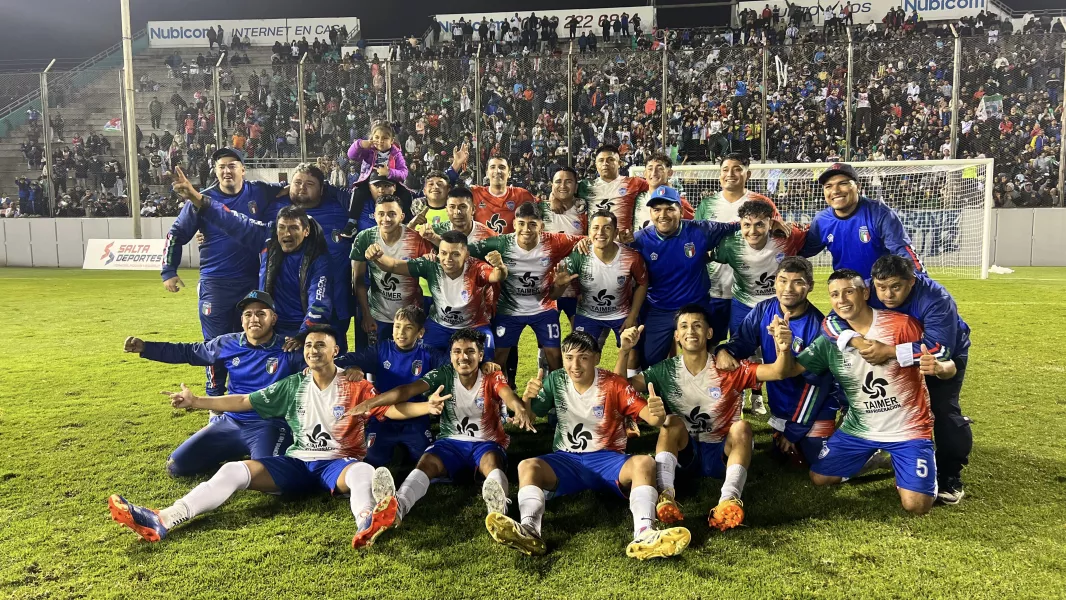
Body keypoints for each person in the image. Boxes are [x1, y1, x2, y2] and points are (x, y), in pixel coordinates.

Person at [107, 326, 443, 547]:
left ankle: (367, 523)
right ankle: (164, 518)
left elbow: (390, 410)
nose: (313, 350)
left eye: (320, 345)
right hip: (297, 464)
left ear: (335, 350)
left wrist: (425, 407)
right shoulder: (294, 384)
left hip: (337, 465)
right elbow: (244, 401)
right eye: (309, 346)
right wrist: (197, 402)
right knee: (234, 470)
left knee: (364, 472)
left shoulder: (357, 385)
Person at [485, 332, 690, 560]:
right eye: (569, 358)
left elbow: (653, 419)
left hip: (608, 460)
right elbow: (530, 417)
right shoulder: (556, 380)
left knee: (644, 463)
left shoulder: (614, 383)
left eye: (583, 357)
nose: (575, 365)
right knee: (527, 466)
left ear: (597, 358)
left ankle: (644, 533)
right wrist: (527, 399)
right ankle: (529, 530)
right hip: (567, 460)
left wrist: (657, 413)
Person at [769, 270, 955, 515]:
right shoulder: (829, 339)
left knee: (917, 505)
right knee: (819, 477)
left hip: (908, 430)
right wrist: (783, 348)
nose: (842, 300)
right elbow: (791, 370)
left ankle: (912, 465)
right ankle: (873, 457)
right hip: (858, 429)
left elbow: (948, 364)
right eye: (835, 294)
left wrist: (940, 368)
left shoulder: (902, 325)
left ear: (865, 293)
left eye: (849, 292)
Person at [348, 328, 537, 548]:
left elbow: (507, 394)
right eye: (457, 351)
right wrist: (371, 403)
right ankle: (398, 506)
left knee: (491, 463)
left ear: (480, 355)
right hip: (450, 443)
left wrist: (519, 408)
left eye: (470, 351)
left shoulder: (492, 376)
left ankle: (498, 513)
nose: (463, 357)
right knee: (427, 462)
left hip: (486, 443)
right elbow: (406, 391)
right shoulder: (444, 374)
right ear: (451, 355)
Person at [616, 304, 791, 530]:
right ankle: (665, 495)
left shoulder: (728, 368)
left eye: (697, 326)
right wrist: (624, 352)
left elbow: (778, 372)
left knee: (742, 427)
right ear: (676, 335)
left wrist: (784, 349)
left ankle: (728, 500)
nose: (690, 331)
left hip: (721, 455)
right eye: (684, 326)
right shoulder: (665, 370)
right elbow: (620, 388)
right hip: (684, 456)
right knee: (671, 422)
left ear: (709, 333)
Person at [821, 255, 973, 504]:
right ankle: (872, 453)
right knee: (875, 401)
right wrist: (858, 341)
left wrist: (889, 351)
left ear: (911, 281)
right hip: (891, 350)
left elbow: (939, 350)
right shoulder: (868, 288)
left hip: (936, 357)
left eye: (896, 287)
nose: (887, 295)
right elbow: (831, 321)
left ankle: (949, 475)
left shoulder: (936, 298)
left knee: (943, 410)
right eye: (881, 287)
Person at [123, 291, 302, 476]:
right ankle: (236, 450)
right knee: (176, 466)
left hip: (270, 424)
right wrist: (146, 348)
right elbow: (189, 352)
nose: (254, 319)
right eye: (248, 314)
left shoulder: (289, 348)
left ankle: (255, 453)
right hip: (231, 420)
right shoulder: (228, 343)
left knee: (268, 475)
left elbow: (319, 371)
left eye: (261, 314)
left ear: (273, 319)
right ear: (242, 320)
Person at [163, 148, 281, 396]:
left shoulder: (260, 191)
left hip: (252, 283)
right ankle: (214, 397)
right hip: (216, 284)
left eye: (232, 165)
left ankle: (249, 395)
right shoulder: (201, 199)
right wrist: (168, 270)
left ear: (243, 169)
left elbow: (293, 189)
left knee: (253, 339)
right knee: (215, 344)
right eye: (221, 167)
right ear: (215, 171)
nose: (227, 171)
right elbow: (176, 234)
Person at [174, 176, 333, 343]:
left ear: (306, 231)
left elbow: (319, 302)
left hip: (300, 332)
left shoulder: (318, 258)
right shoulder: (267, 237)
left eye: (294, 228)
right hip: (268, 329)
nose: (287, 233)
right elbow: (231, 220)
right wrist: (196, 197)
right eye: (282, 227)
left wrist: (303, 335)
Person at [716, 258, 841, 468]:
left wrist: (794, 431)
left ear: (810, 286)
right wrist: (723, 350)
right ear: (775, 282)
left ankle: (863, 452)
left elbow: (816, 387)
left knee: (820, 463)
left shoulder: (818, 328)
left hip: (816, 406)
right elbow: (743, 342)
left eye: (798, 282)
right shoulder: (764, 309)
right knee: (786, 458)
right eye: (783, 280)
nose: (788, 288)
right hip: (781, 406)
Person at [469, 202, 584, 378]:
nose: (526, 229)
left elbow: (586, 240)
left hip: (544, 308)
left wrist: (587, 241)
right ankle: (501, 391)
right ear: (514, 224)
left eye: (532, 224)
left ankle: (555, 392)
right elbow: (463, 250)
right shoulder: (501, 243)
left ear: (541, 226)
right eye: (521, 223)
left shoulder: (553, 241)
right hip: (508, 309)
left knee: (554, 356)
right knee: (499, 357)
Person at [630, 186, 739, 367]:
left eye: (669, 209)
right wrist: (585, 241)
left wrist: (772, 222)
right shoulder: (639, 240)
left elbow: (737, 226)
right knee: (650, 363)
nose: (663, 215)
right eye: (657, 210)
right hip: (659, 309)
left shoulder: (701, 230)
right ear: (650, 213)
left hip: (695, 307)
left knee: (703, 360)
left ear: (681, 211)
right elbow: (611, 250)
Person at [335, 306, 448, 467]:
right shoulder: (381, 349)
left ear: (420, 333)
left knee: (425, 460)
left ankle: (405, 454)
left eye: (408, 328)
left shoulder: (429, 354)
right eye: (397, 326)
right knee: (371, 459)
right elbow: (349, 359)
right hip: (382, 418)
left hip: (415, 419)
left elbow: (451, 367)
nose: (401, 332)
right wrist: (353, 367)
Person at [259, 163, 354, 351]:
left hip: (336, 303)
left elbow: (361, 200)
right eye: (297, 182)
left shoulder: (340, 209)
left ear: (322, 189)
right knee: (285, 359)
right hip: (286, 310)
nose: (302, 187)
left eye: (310, 184)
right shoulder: (274, 209)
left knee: (334, 358)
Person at [693, 153, 778, 362]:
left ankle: (756, 383)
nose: (730, 174)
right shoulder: (707, 205)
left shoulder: (761, 202)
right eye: (725, 169)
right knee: (711, 343)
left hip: (753, 292)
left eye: (737, 168)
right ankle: (714, 381)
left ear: (748, 174)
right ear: (719, 175)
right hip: (716, 288)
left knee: (751, 347)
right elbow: (698, 242)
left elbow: (777, 234)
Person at [366, 229, 507, 352]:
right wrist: (377, 257)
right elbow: (393, 265)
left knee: (487, 359)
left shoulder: (476, 267)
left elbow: (497, 276)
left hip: (474, 325)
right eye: (443, 253)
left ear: (466, 255)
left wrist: (500, 266)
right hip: (438, 325)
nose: (448, 259)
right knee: (422, 357)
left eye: (455, 254)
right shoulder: (431, 264)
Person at [800, 162, 924, 280]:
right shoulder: (821, 220)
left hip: (881, 288)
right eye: (828, 186)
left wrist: (923, 282)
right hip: (848, 289)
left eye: (843, 183)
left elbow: (903, 251)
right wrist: (790, 236)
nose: (835, 191)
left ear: (858, 187)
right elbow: (804, 250)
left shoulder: (880, 214)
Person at [551, 209, 647, 352]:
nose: (600, 233)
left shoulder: (632, 257)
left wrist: (632, 316)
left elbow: (642, 283)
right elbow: (553, 296)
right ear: (589, 232)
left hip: (622, 314)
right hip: (588, 315)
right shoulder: (579, 255)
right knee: (581, 353)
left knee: (632, 355)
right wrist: (559, 286)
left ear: (616, 232)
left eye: (607, 228)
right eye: (595, 228)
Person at [351, 194, 434, 343]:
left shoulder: (416, 239)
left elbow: (432, 272)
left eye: (392, 214)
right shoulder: (365, 238)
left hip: (410, 316)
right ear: (374, 215)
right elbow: (358, 280)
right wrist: (366, 314)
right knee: (378, 356)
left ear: (402, 216)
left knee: (408, 355)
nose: (386, 219)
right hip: (378, 314)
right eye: (381, 214)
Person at [445, 145, 535, 234]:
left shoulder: (521, 195)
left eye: (502, 167)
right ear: (487, 173)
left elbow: (541, 211)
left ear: (509, 173)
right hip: (479, 243)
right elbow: (443, 189)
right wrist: (456, 164)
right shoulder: (474, 193)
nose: (497, 171)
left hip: (509, 243)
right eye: (492, 167)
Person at [342, 123, 412, 237]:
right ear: (372, 138)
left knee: (406, 194)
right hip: (369, 180)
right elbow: (352, 156)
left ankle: (407, 222)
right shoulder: (369, 150)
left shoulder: (396, 154)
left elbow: (404, 173)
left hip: (390, 181)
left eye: (385, 138)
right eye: (377, 137)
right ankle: (352, 222)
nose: (380, 141)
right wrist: (359, 144)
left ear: (392, 140)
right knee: (358, 192)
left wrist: (389, 172)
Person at [539, 166, 586, 324]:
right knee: (548, 336)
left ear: (576, 186)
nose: (563, 186)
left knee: (580, 334)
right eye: (558, 182)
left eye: (568, 181)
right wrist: (552, 197)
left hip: (577, 287)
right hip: (549, 287)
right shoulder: (540, 209)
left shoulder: (584, 211)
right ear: (552, 185)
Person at [578, 144, 649, 232]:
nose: (605, 163)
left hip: (623, 239)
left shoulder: (634, 183)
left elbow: (657, 188)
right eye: (601, 160)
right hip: (596, 238)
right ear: (596, 164)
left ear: (619, 163)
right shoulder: (585, 186)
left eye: (610, 160)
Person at [419, 187, 498, 245]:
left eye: (463, 207)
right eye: (452, 207)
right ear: (446, 210)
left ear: (473, 209)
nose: (457, 212)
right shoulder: (435, 232)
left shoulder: (489, 237)